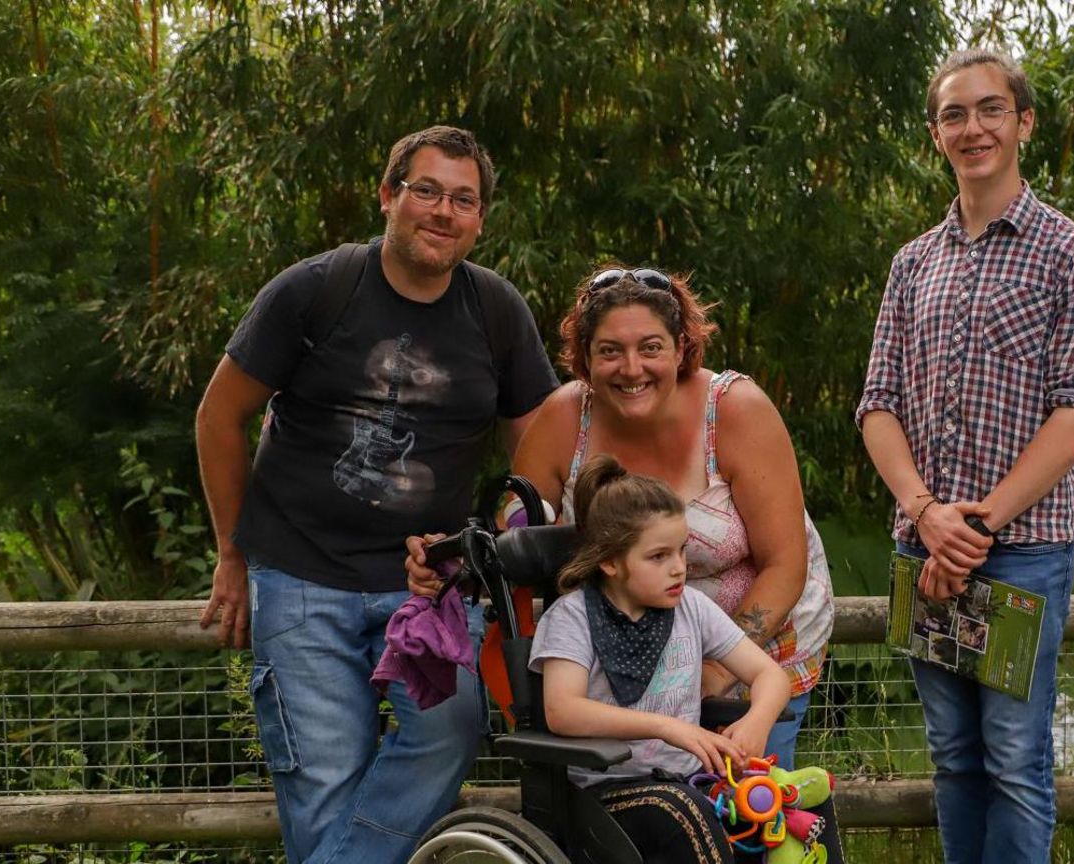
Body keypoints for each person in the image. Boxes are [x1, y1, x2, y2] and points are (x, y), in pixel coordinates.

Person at [195, 126, 559, 864]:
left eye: (463, 199)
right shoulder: (313, 290)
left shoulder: (496, 311)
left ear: (480, 218)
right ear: (389, 195)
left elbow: (539, 455)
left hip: (431, 585)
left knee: (451, 734)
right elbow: (217, 418)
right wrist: (232, 554)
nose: (443, 211)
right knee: (321, 780)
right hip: (299, 576)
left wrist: (504, 550)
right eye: (426, 190)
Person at [855, 49, 1074, 864]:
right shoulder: (912, 263)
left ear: (1023, 123)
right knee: (954, 760)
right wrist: (930, 518)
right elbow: (877, 406)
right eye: (955, 115)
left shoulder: (1072, 254)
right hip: (924, 546)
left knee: (1014, 762)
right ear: (937, 134)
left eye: (990, 110)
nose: (974, 128)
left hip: (1024, 553)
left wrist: (975, 528)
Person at [495, 264, 834, 768]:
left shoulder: (736, 410)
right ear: (585, 359)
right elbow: (516, 527)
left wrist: (715, 670)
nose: (632, 369)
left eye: (650, 348)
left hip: (749, 651)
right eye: (610, 351)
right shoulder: (565, 417)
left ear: (681, 348)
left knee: (748, 809)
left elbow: (785, 564)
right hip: (624, 661)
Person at [530, 454, 790, 864]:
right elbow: (562, 710)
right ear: (611, 561)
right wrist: (666, 727)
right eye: (659, 557)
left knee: (787, 804)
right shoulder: (572, 618)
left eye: (682, 551)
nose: (679, 569)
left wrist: (757, 721)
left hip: (689, 780)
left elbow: (770, 675)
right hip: (606, 791)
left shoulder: (691, 608)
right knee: (684, 811)